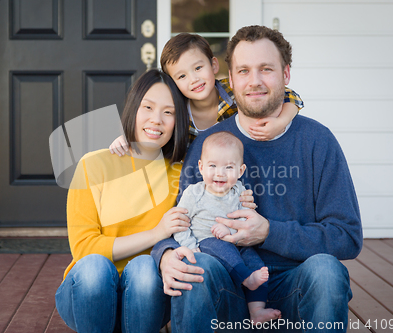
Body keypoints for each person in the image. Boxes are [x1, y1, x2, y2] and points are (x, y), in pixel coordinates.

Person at [151, 25, 363, 333]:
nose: (254, 81)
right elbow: (181, 219)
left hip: (296, 284)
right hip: (227, 283)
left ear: (286, 74)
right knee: (195, 267)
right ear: (231, 78)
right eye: (244, 71)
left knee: (327, 270)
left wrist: (268, 232)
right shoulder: (207, 144)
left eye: (266, 69)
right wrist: (165, 254)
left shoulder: (318, 141)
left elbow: (347, 236)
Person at [55, 69, 255, 333]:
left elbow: (213, 201)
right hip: (87, 294)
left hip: (148, 292)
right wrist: (156, 233)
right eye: (147, 107)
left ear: (178, 121)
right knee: (93, 266)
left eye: (169, 112)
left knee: (143, 268)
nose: (156, 120)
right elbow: (84, 247)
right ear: (132, 109)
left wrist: (241, 204)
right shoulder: (93, 165)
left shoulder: (182, 174)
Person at [109, 33, 304, 156]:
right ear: (173, 83)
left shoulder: (234, 90)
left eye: (198, 68)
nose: (194, 79)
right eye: (182, 76)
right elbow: (152, 124)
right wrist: (127, 137)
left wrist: (281, 122)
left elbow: (290, 95)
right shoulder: (176, 109)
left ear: (214, 65)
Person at [173, 131, 281, 324]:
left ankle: (257, 310)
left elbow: (245, 223)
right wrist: (190, 247)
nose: (219, 173)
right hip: (206, 244)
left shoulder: (240, 191)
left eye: (228, 167)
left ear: (240, 171)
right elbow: (180, 224)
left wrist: (231, 232)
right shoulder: (194, 193)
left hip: (237, 243)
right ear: (201, 167)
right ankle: (246, 278)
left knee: (257, 263)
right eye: (212, 166)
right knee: (219, 245)